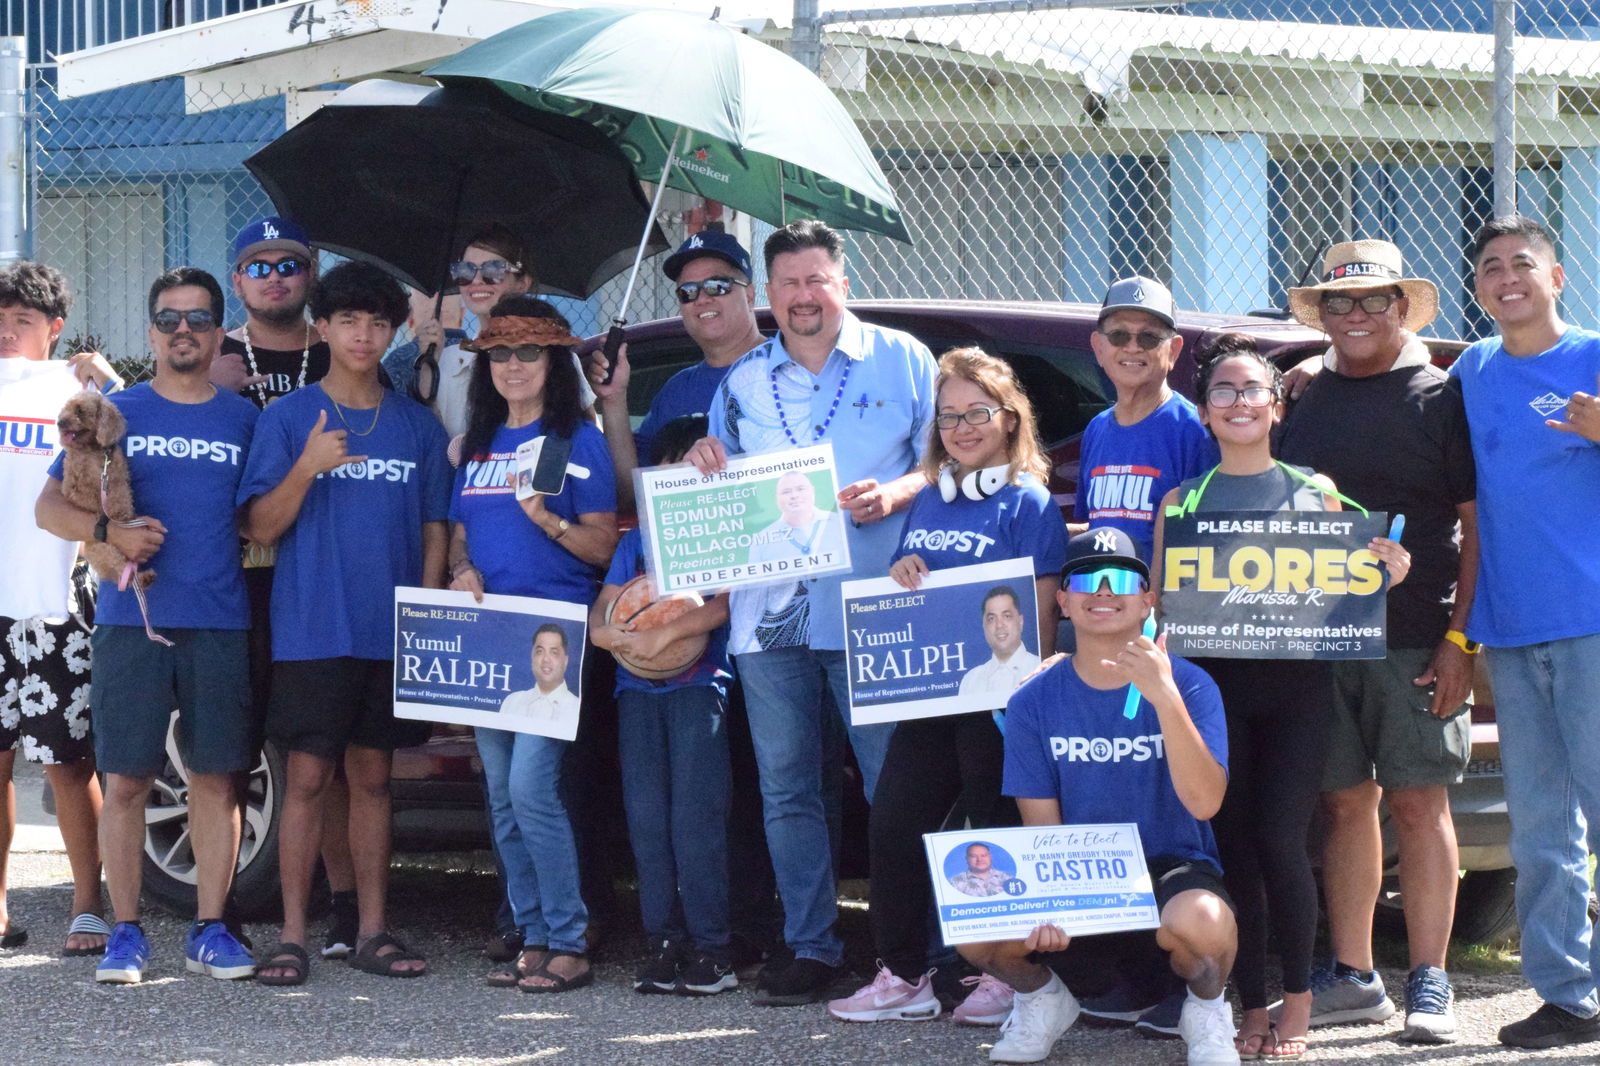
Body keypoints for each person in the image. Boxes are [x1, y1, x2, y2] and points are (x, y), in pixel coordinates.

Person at [685, 219, 938, 1005]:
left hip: (877, 611)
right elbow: (717, 492)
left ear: (844, 284)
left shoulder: (904, 360)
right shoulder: (742, 383)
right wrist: (700, 463)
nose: (803, 297)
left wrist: (900, 490)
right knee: (788, 787)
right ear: (768, 294)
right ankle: (813, 947)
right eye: (788, 283)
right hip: (768, 621)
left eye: (817, 280)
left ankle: (915, 954)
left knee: (895, 786)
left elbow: (952, 454)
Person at [1152, 335, 1409, 1059]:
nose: (1238, 403)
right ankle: (1251, 1003)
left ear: (1274, 405)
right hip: (1216, 696)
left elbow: (1353, 587)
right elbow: (1163, 607)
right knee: (1234, 845)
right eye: (1223, 392)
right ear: (1204, 411)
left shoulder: (1316, 491)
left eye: (1251, 390)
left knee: (1281, 842)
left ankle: (1298, 998)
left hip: (1298, 691)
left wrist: (1385, 572)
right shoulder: (1184, 502)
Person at [1277, 240, 1477, 1043]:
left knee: (1421, 801)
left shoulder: (1440, 398)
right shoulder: (1300, 396)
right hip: (1316, 639)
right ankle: (1356, 976)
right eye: (1339, 302)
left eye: (1372, 300)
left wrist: (1461, 640)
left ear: (1402, 307)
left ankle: (1431, 979)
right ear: (1322, 314)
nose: (1356, 315)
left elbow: (1475, 528)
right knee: (1341, 802)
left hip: (1417, 636)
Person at [36, 267, 259, 984]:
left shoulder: (242, 419)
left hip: (220, 618)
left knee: (216, 779)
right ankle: (125, 933)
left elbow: (263, 519)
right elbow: (49, 511)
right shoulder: (112, 412)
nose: (183, 330)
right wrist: (110, 530)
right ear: (150, 332)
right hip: (131, 623)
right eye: (169, 319)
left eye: (197, 319)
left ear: (220, 332)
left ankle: (212, 929)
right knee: (127, 779)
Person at [827, 347, 1063, 1025]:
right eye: (950, 416)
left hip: (999, 702)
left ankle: (1005, 975)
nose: (962, 428)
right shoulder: (932, 496)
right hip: (931, 696)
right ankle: (905, 976)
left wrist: (1026, 700)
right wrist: (904, 569)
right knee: (896, 821)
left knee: (994, 830)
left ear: (1009, 419)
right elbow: (918, 580)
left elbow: (1041, 613)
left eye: (977, 413)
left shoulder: (1028, 501)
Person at [238, 261, 451, 986]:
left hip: (389, 632)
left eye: (378, 323)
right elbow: (259, 525)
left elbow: (434, 531)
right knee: (305, 779)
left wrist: (421, 617)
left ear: (393, 331)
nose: (364, 335)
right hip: (312, 630)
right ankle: (293, 935)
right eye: (349, 321)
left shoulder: (417, 426)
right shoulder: (290, 418)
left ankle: (371, 931)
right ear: (322, 327)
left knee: (374, 779)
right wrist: (306, 469)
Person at [957, 527, 1238, 1066]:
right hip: (1083, 878)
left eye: (1123, 579)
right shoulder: (1033, 701)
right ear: (1062, 600)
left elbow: (1205, 803)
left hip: (1170, 874)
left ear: (1148, 598)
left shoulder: (1193, 684)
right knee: (976, 922)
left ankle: (1206, 1012)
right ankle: (1042, 1000)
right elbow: (1042, 829)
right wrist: (1048, 903)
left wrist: (1162, 696)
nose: (1104, 590)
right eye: (1086, 578)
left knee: (1204, 920)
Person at [586, 229, 778, 970]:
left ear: (750, 293)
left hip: (758, 622)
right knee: (687, 802)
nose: (701, 302)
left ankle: (752, 935)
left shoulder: (781, 372)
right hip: (677, 646)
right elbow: (643, 495)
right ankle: (693, 936)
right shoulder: (676, 390)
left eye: (718, 286)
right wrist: (616, 403)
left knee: (756, 794)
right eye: (687, 291)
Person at [1451, 214, 1600, 1050]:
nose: (1507, 279)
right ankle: (1567, 994)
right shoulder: (1473, 368)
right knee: (1540, 824)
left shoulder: (1593, 355)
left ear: (1557, 276)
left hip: (1591, 620)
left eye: (1523, 264)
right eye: (1491, 269)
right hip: (1510, 627)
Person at [447, 295, 618, 994]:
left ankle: (570, 936)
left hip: (554, 633)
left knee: (532, 787)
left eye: (528, 352)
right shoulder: (479, 446)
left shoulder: (579, 442)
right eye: (500, 354)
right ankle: (534, 932)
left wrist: (546, 520)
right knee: (503, 795)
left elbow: (604, 545)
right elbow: (461, 529)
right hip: (489, 636)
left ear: (555, 362)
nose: (513, 365)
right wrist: (460, 569)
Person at [211, 215, 360, 961]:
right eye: (259, 265)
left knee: (318, 747)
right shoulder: (210, 351)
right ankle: (225, 898)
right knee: (232, 748)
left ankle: (339, 902)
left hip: (315, 582)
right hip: (231, 581)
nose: (275, 275)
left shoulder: (340, 350)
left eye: (290, 264)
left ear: (312, 276)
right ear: (239, 279)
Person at [591, 414, 738, 997]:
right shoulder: (635, 544)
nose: (681, 477)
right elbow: (601, 614)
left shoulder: (719, 535)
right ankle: (663, 941)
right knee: (648, 821)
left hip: (699, 690)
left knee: (696, 822)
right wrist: (617, 637)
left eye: (693, 466)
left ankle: (713, 947)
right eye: (670, 467)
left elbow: (722, 606)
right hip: (637, 695)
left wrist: (663, 636)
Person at [2, 261, 120, 957]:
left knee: (68, 761)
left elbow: (139, 437)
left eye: (23, 321)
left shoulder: (71, 392)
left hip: (54, 596)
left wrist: (107, 382)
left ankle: (87, 904)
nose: (8, 335)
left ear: (54, 329)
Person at [383, 224, 594, 438]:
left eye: (493, 270)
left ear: (522, 283)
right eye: (465, 270)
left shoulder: (554, 354)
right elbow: (429, 443)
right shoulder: (446, 359)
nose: (476, 281)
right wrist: (429, 366)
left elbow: (586, 431)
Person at [1071, 276, 1219, 561]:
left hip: (1163, 601)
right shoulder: (1096, 429)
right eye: (1119, 335)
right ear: (1099, 347)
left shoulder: (1194, 431)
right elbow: (1098, 528)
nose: (1133, 347)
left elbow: (1208, 540)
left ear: (1173, 350)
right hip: (1105, 597)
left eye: (1149, 337)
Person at [959, 587, 1042, 698]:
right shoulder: (970, 681)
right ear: (983, 626)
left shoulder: (1041, 669)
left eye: (1007, 616)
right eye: (991, 619)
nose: (999, 625)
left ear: (1021, 621)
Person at [498, 625, 580, 726]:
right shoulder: (512, 701)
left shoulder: (577, 708)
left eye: (554, 653)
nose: (546, 659)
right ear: (532, 657)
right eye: (540, 651)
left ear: (566, 661)